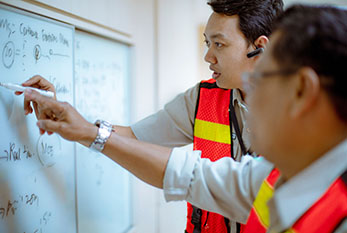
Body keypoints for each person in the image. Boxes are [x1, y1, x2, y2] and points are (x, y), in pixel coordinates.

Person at [23, 4, 347, 232]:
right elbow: (190, 174)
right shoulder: (271, 175)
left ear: (303, 90)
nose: (254, 98)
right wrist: (85, 130)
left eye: (263, 81)